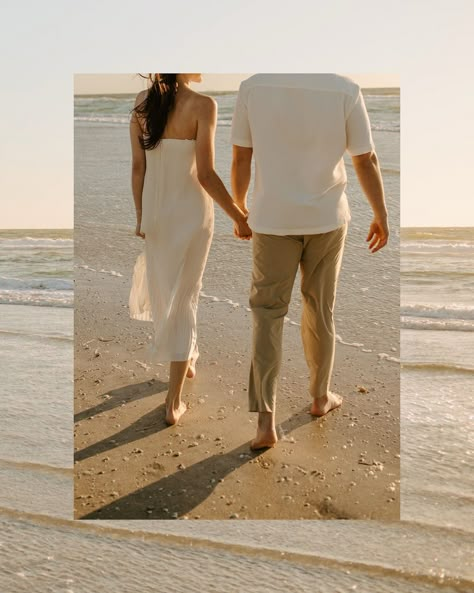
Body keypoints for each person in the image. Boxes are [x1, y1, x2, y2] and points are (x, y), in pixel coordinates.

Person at [230, 73, 389, 450]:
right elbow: (365, 158)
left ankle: (266, 423)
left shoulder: (253, 87)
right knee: (320, 308)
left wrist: (240, 207)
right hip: (327, 218)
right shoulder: (345, 89)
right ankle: (320, 398)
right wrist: (381, 213)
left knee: (267, 314)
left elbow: (241, 155)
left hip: (273, 220)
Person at [129, 73, 251, 426]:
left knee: (172, 291)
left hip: (156, 212)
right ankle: (173, 403)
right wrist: (240, 216)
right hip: (193, 215)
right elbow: (206, 175)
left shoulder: (141, 102)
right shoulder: (204, 105)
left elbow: (139, 167)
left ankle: (189, 354)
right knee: (185, 295)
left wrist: (140, 216)